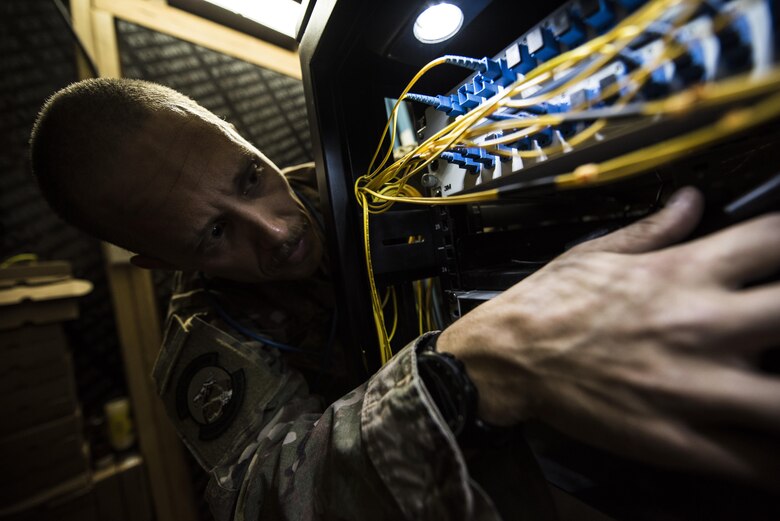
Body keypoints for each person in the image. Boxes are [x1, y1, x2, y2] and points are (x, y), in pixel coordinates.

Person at [29, 78, 780, 520]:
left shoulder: (369, 174)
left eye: (250, 177)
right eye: (216, 233)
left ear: (235, 131)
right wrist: (462, 374)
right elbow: (267, 498)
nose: (278, 230)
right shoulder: (203, 344)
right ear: (159, 263)